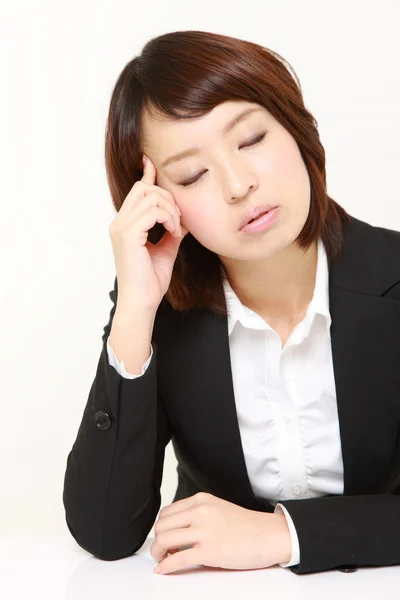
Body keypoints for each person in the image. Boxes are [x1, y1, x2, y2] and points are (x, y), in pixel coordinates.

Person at [62, 30, 400, 576]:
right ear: (157, 204)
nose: (238, 184)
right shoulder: (163, 315)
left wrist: (283, 535)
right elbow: (105, 533)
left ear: (297, 130)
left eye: (251, 140)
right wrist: (134, 309)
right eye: (193, 174)